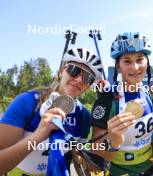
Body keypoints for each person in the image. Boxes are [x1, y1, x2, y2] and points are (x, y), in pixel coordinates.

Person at [0, 47, 106, 175]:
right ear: (62, 70)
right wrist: (39, 135)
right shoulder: (26, 102)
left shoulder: (83, 116)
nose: (79, 79)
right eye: (74, 70)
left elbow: (78, 164)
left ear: (89, 85)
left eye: (88, 78)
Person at [90, 32, 153, 176]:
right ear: (118, 67)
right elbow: (94, 160)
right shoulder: (107, 99)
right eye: (127, 61)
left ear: (147, 63)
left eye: (140, 60)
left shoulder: (150, 94)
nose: (134, 67)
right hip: (119, 171)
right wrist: (113, 141)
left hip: (151, 167)